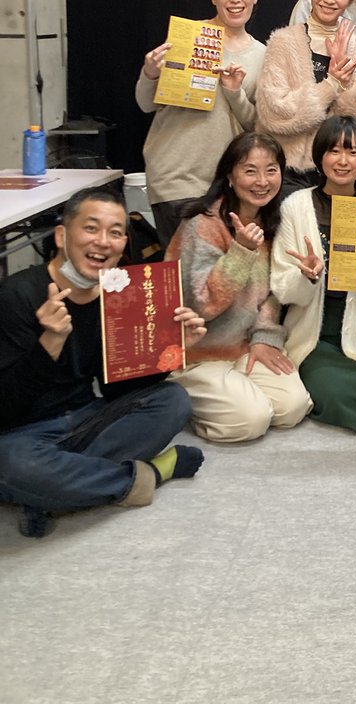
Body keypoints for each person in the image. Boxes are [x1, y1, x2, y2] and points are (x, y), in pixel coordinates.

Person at [0, 187, 205, 538]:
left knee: (172, 400)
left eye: (115, 232)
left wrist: (170, 352)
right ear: (63, 236)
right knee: (13, 463)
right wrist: (49, 342)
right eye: (91, 228)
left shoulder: (117, 296)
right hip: (22, 433)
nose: (103, 242)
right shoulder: (19, 295)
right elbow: (4, 407)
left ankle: (54, 489)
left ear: (124, 244)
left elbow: (115, 389)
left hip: (85, 418)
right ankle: (149, 475)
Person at [166, 132, 310, 442]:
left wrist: (263, 338)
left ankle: (235, 392)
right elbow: (200, 304)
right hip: (199, 353)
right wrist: (241, 252)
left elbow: (272, 294)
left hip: (244, 348)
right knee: (252, 420)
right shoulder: (201, 224)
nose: (262, 181)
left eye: (271, 170)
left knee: (293, 408)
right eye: (249, 170)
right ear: (229, 176)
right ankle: (182, 396)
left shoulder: (272, 223)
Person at [270, 116, 356, 432]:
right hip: (314, 331)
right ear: (320, 156)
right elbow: (281, 288)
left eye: (354, 152)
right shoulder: (297, 205)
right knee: (333, 392)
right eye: (334, 151)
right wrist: (306, 276)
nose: (343, 161)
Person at [137, 0, 266, 248]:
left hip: (228, 186)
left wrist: (234, 91)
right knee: (185, 283)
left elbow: (256, 126)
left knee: (220, 283)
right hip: (177, 179)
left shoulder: (264, 55)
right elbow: (146, 103)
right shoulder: (188, 38)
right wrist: (150, 73)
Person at [256, 0, 356, 189]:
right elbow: (274, 114)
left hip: (338, 173)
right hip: (284, 171)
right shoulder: (283, 42)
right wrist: (331, 85)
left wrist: (345, 83)